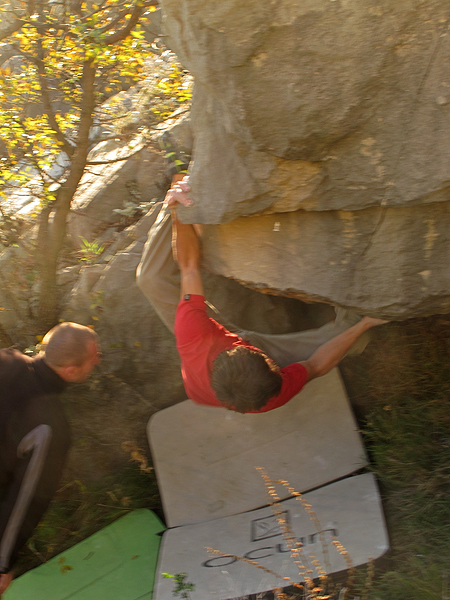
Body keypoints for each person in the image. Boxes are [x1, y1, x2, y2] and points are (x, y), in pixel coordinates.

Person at [137, 176, 386, 413]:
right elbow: (316, 366)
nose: (250, 344)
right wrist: (364, 324)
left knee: (150, 279)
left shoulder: (193, 335)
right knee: (353, 335)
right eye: (271, 364)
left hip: (212, 343)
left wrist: (179, 212)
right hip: (229, 361)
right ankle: (362, 296)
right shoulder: (272, 394)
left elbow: (188, 266)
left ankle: (180, 195)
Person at [0, 322, 100, 597]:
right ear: (71, 370)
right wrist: (2, 563)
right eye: (94, 360)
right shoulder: (50, 427)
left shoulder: (6, 358)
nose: (98, 362)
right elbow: (26, 500)